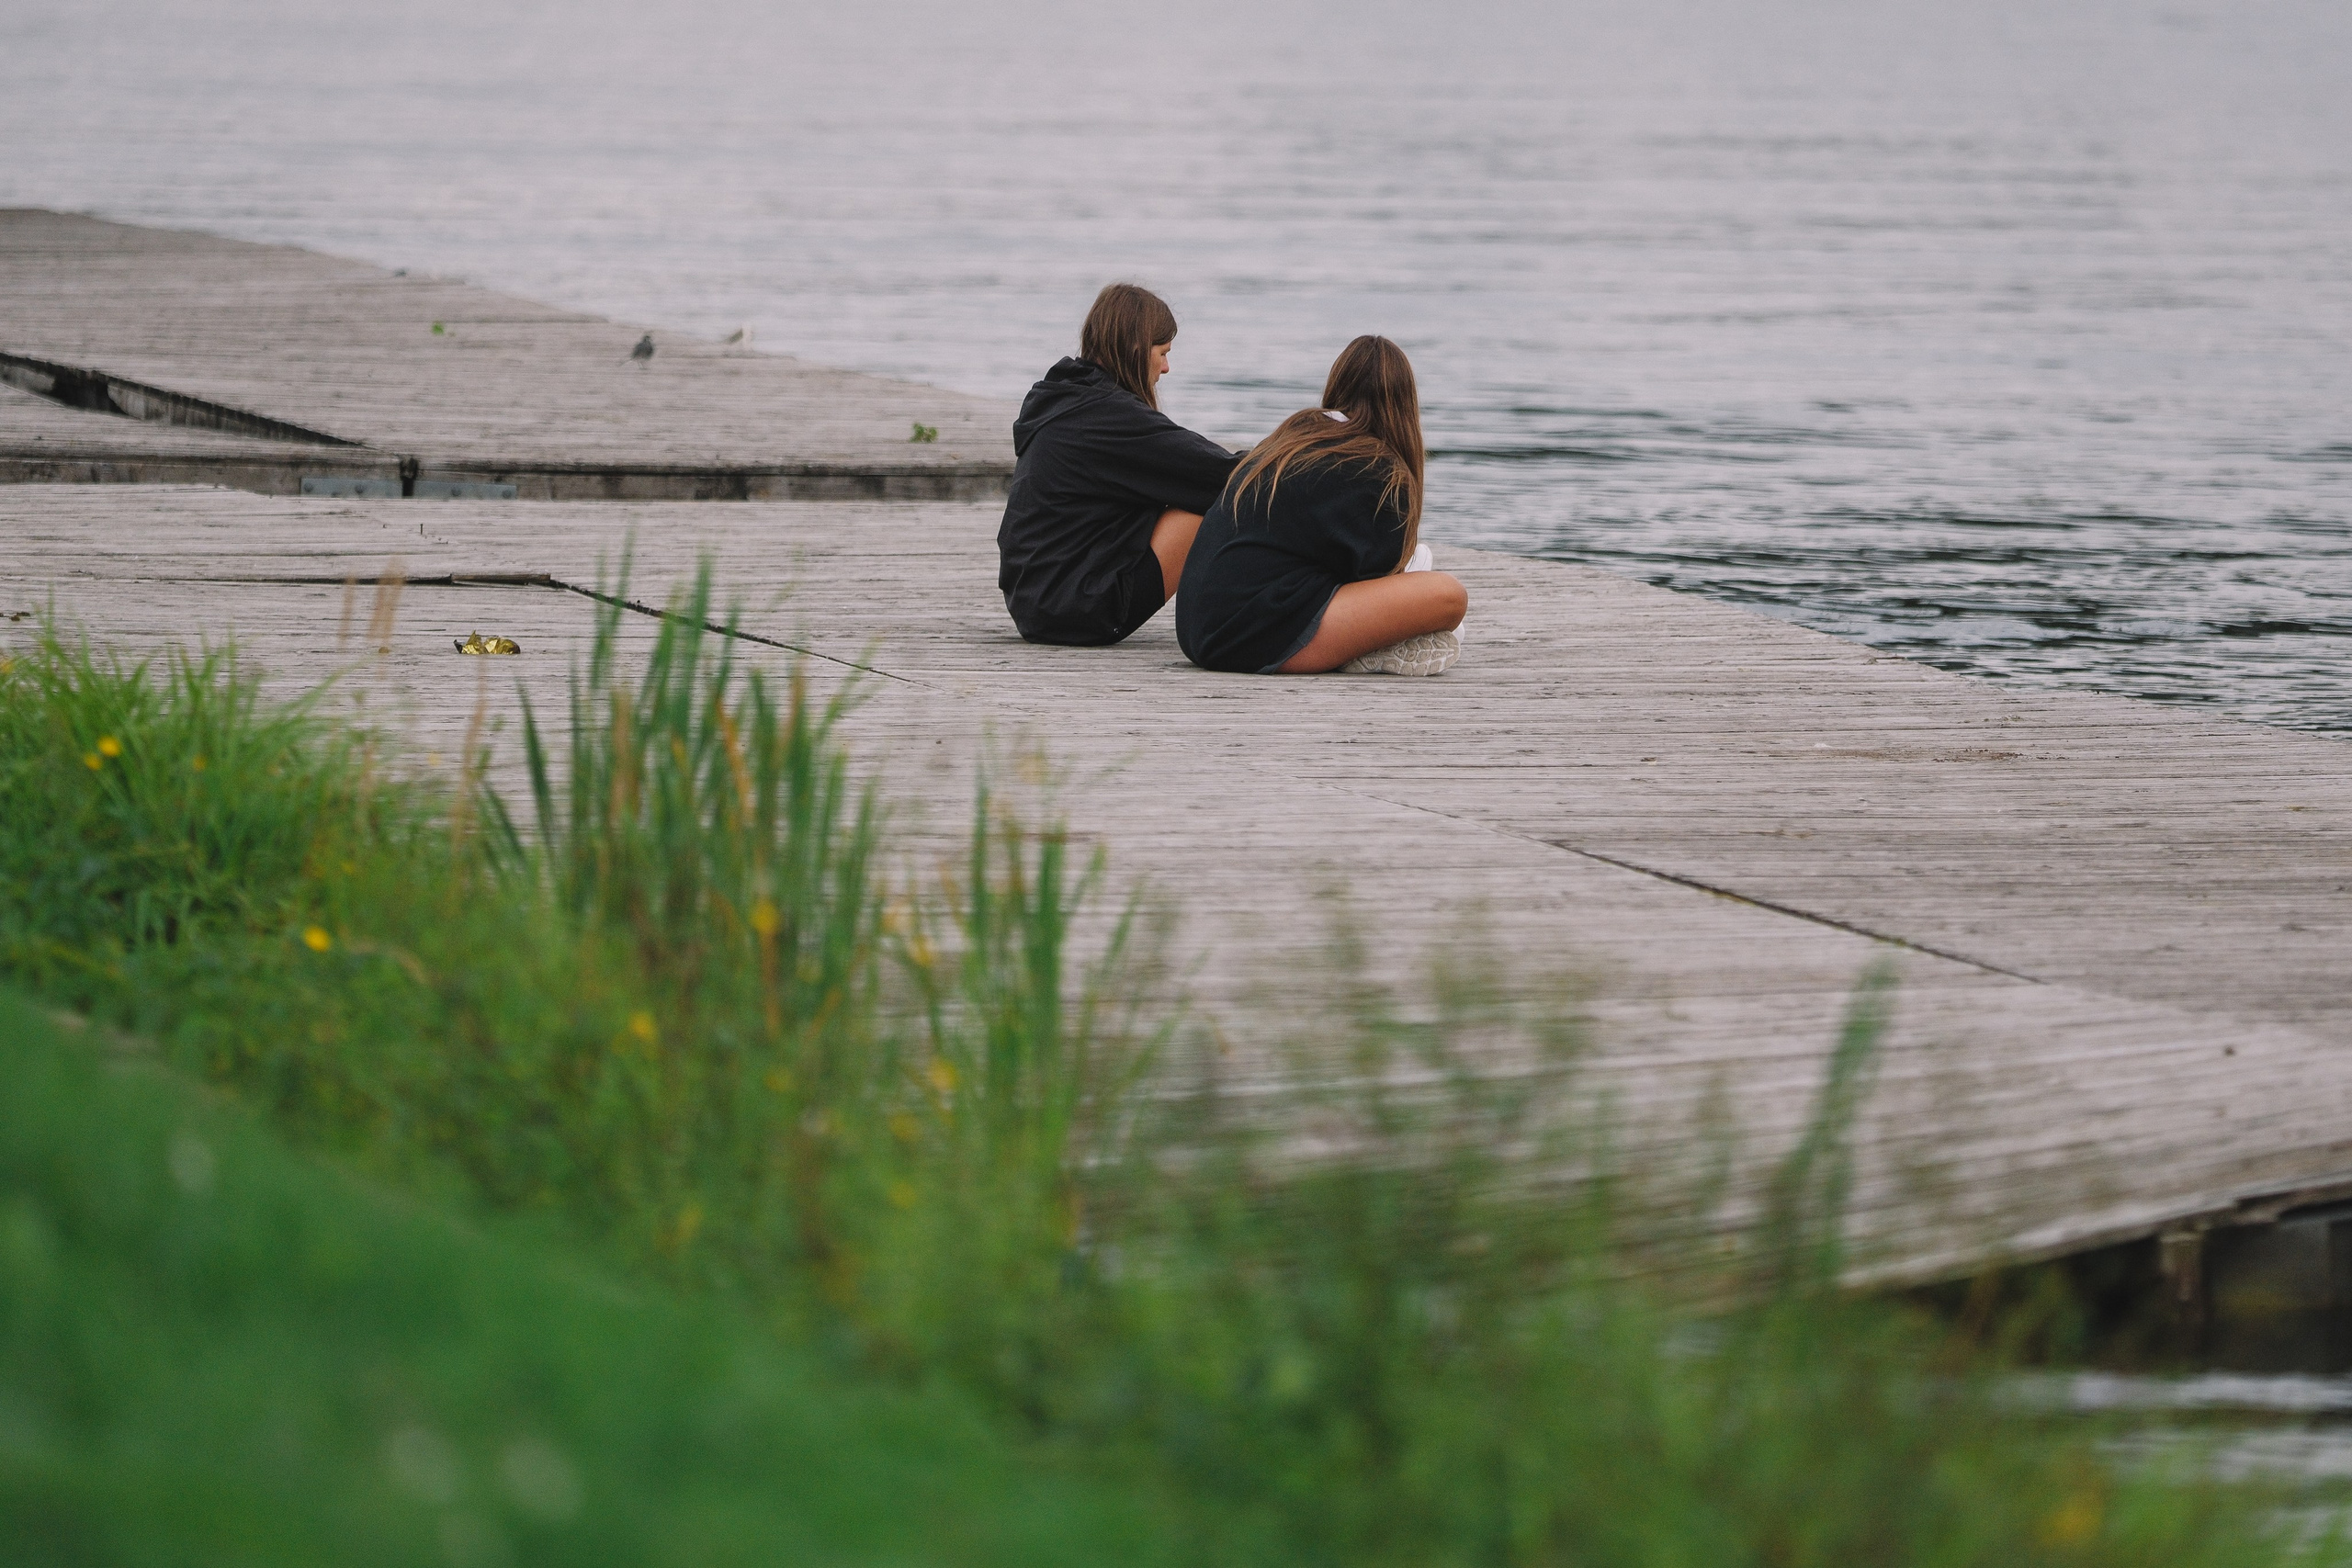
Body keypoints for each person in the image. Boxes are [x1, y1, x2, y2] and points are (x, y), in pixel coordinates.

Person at [1176, 335, 1468, 675]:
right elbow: (1376, 573)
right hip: (1248, 637)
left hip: (1199, 631)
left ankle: (1367, 646)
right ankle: (1370, 649)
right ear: (1404, 405)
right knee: (1449, 596)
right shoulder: (1377, 468)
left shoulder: (1293, 438)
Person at [997, 283, 1240, 646]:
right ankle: (1246, 621)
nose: (1167, 367)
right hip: (1081, 609)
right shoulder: (1111, 417)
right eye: (1163, 353)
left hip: (1034, 602)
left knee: (1190, 485)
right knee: (1219, 500)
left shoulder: (1066, 399)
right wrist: (1302, 459)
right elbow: (1220, 472)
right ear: (1138, 349)